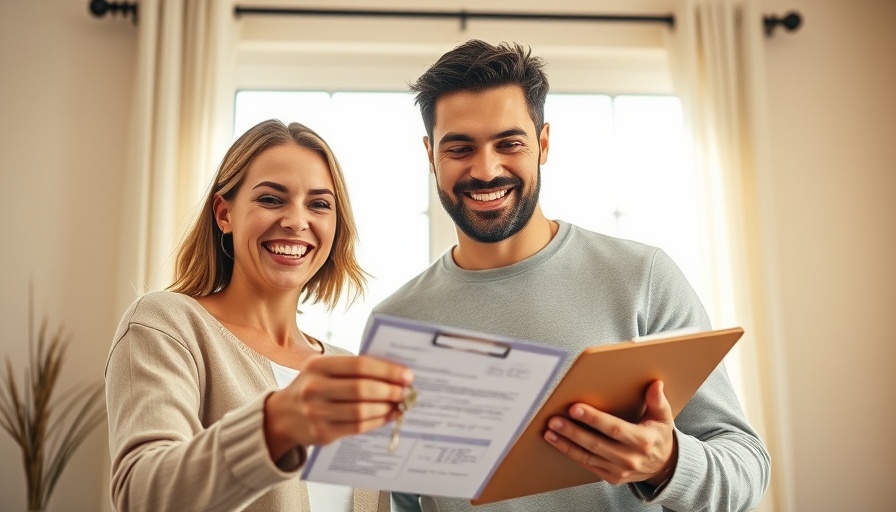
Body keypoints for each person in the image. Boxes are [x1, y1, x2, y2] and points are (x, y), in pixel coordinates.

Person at [375, 40, 771, 511]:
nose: (486, 169)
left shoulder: (640, 277)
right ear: (430, 154)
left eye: (509, 143)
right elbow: (397, 502)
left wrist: (666, 463)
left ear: (543, 144)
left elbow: (747, 470)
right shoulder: (396, 322)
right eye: (460, 148)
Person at [105, 120, 413, 512]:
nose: (296, 221)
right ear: (224, 213)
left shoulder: (349, 369)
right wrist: (277, 425)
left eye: (319, 204)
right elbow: (143, 496)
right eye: (271, 199)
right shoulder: (167, 324)